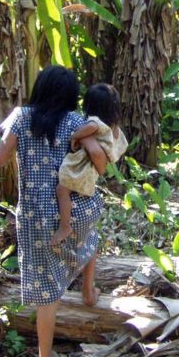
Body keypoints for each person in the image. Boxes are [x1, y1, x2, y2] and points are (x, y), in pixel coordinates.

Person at [0, 66, 105, 357]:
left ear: (40, 88)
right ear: (71, 95)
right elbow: (97, 155)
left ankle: (44, 356)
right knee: (92, 229)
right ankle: (89, 290)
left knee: (47, 295)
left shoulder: (20, 117)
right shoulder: (75, 122)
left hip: (34, 215)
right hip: (73, 207)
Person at [51, 84, 128, 246]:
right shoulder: (114, 127)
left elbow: (92, 128)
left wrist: (75, 136)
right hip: (93, 169)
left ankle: (64, 226)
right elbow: (118, 146)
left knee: (61, 190)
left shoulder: (94, 121)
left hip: (86, 167)